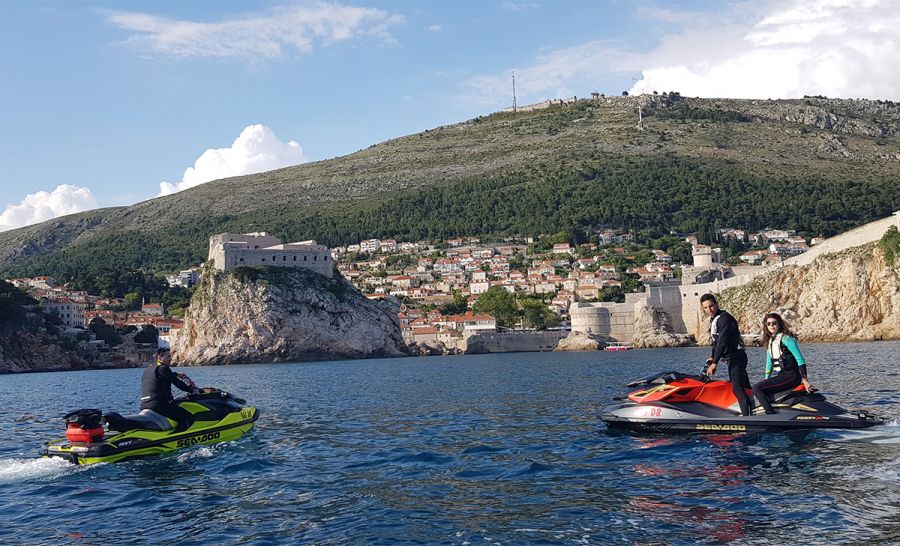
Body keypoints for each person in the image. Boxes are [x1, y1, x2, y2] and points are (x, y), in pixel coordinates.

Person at [751, 313, 813, 415]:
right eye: (768, 324)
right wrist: (767, 380)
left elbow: (800, 359)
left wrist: (804, 379)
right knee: (761, 388)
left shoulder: (787, 339)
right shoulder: (770, 341)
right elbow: (769, 363)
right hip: (782, 375)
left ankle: (770, 415)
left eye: (774, 323)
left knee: (756, 388)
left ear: (779, 324)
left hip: (792, 375)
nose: (771, 326)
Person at [701, 293, 752, 416]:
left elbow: (722, 341)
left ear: (717, 304)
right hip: (733, 358)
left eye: (711, 306)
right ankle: (756, 410)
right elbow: (716, 342)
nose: (709, 309)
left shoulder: (724, 318)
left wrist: (715, 363)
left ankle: (747, 417)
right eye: (706, 308)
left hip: (737, 357)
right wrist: (713, 356)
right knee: (745, 387)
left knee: (737, 389)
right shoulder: (715, 319)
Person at [140, 348, 198, 432]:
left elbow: (162, 376)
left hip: (144, 405)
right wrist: (192, 390)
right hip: (158, 405)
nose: (171, 358)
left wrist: (176, 374)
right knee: (189, 417)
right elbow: (177, 383)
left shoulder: (148, 370)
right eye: (168, 356)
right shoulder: (163, 368)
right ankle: (176, 438)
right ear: (159, 358)